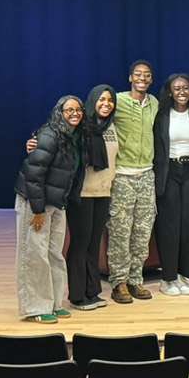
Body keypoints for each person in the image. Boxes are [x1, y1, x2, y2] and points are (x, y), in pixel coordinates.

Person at [14, 95, 83, 323]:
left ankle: (53, 303)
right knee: (34, 254)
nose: (75, 113)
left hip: (56, 203)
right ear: (59, 113)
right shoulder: (48, 135)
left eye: (78, 110)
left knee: (54, 253)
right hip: (37, 204)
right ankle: (35, 307)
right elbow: (34, 174)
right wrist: (38, 209)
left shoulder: (72, 137)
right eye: (69, 110)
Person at [108, 60, 160, 304]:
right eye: (138, 74)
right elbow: (93, 119)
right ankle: (118, 282)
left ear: (151, 79)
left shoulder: (154, 103)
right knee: (120, 231)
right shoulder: (117, 101)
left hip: (147, 175)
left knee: (142, 231)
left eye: (147, 75)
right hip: (122, 176)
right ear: (130, 77)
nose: (142, 78)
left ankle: (135, 280)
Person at [65, 85, 118, 311]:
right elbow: (58, 139)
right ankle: (77, 296)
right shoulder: (81, 127)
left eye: (110, 100)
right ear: (93, 101)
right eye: (101, 99)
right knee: (80, 243)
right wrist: (34, 143)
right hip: (82, 194)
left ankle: (92, 291)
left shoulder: (112, 127)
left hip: (103, 193)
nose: (106, 104)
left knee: (94, 244)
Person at [153, 73, 189, 297]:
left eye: (185, 88)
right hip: (169, 172)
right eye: (176, 88)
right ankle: (168, 277)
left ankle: (184, 275)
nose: (181, 92)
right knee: (169, 226)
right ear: (170, 92)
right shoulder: (161, 115)